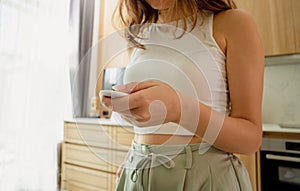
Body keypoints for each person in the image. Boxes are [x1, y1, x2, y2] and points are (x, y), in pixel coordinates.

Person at [101, 0, 264, 190]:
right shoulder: (141, 34)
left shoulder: (233, 23)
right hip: (138, 171)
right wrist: (134, 154)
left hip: (205, 178)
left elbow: (250, 140)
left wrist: (178, 108)